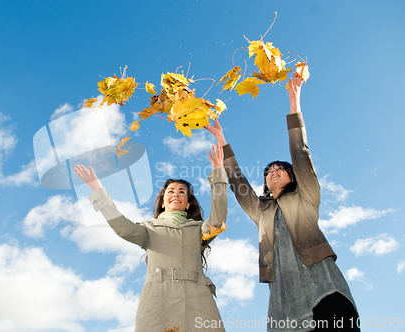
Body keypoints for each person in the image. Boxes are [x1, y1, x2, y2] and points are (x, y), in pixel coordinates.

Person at [205, 74, 360, 332]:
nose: (273, 171)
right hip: (283, 303)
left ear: (293, 176)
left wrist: (294, 101)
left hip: (323, 289)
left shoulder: (306, 195)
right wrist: (222, 140)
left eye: (280, 168)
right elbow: (238, 183)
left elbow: (300, 152)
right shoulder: (261, 211)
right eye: (268, 171)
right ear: (265, 182)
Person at [74, 144, 228, 332]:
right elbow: (123, 228)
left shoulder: (199, 229)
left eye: (182, 192)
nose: (176, 194)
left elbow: (218, 222)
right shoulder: (148, 229)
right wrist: (97, 189)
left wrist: (219, 176)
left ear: (188, 204)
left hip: (198, 302)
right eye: (170, 191)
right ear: (163, 202)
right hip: (158, 300)